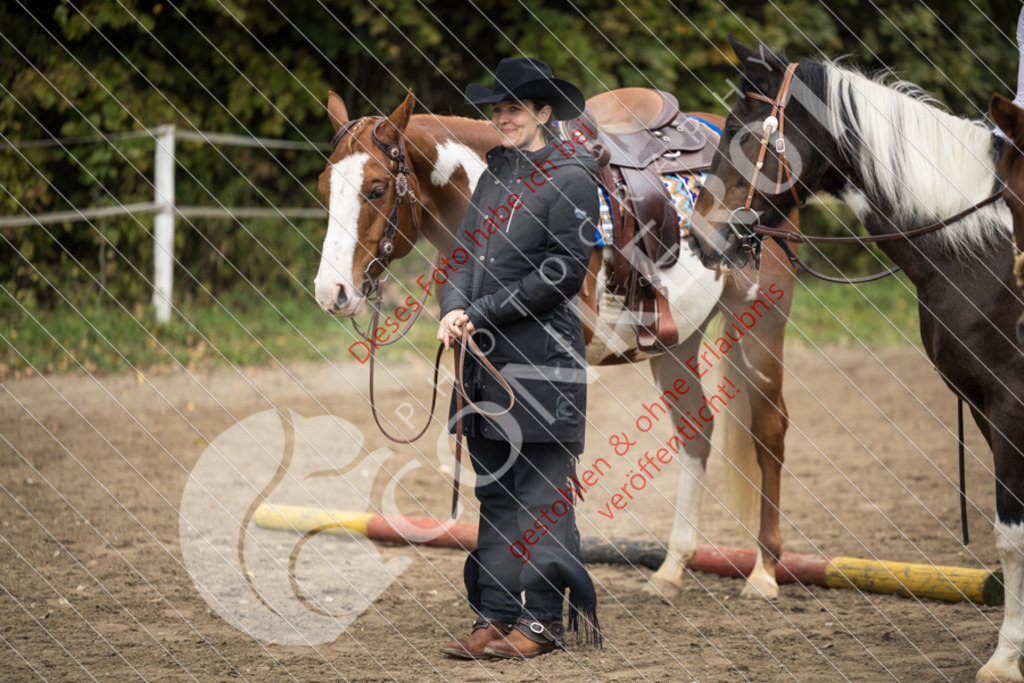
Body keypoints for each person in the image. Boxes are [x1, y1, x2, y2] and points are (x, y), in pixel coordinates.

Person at [437, 57, 601, 659]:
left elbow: (561, 275)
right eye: (498, 108)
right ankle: (496, 614)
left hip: (542, 367)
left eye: (515, 108)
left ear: (544, 113)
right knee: (496, 493)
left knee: (541, 497)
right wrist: (454, 306)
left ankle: (541, 625)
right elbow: (461, 254)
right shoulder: (496, 173)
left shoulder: (573, 178)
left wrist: (479, 312)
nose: (503, 118)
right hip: (484, 364)